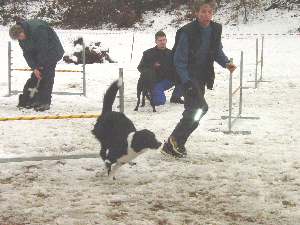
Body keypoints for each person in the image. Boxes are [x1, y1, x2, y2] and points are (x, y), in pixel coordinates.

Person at [161, 0, 237, 157]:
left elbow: (216, 51)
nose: (206, 15)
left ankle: (175, 143)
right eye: (203, 11)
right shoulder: (187, 32)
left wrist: (227, 64)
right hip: (187, 77)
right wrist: (186, 81)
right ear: (196, 13)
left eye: (209, 12)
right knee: (200, 108)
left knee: (195, 110)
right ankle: (174, 140)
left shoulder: (215, 29)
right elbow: (179, 60)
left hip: (202, 77)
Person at [9, 19, 64, 111]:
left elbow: (43, 49)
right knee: (35, 76)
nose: (20, 39)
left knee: (46, 75)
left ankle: (44, 102)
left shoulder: (39, 30)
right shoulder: (21, 37)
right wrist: (34, 68)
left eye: (20, 36)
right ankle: (29, 100)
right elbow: (27, 53)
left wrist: (40, 66)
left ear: (22, 31)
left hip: (52, 51)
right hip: (38, 52)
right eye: (18, 38)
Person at [137, 31, 183, 106]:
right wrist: (152, 66)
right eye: (160, 40)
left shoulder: (171, 53)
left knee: (185, 77)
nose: (162, 42)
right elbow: (140, 68)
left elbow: (178, 66)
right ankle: (150, 93)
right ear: (156, 41)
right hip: (156, 82)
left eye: (164, 40)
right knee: (159, 102)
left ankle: (176, 97)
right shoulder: (148, 53)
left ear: (166, 40)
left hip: (169, 80)